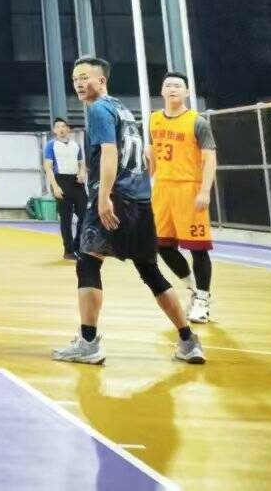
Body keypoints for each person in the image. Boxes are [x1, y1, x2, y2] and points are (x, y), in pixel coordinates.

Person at [52, 57, 205, 367]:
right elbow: (144, 158)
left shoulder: (99, 109)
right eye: (75, 79)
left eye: (85, 77)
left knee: (88, 263)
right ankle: (188, 341)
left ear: (101, 80)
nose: (79, 83)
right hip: (140, 201)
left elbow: (109, 153)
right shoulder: (122, 109)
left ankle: (88, 343)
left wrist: (104, 197)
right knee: (150, 271)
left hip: (115, 197)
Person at [149, 72, 217, 323]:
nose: (173, 89)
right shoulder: (154, 120)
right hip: (162, 190)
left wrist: (205, 190)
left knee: (198, 248)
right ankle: (193, 287)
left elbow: (210, 159)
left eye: (178, 85)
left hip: (189, 189)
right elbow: (151, 157)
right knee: (161, 245)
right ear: (162, 91)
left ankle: (203, 301)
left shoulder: (197, 122)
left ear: (187, 92)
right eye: (168, 85)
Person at [43, 118, 87, 261]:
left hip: (76, 181)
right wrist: (55, 187)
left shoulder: (76, 145)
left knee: (85, 214)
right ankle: (68, 250)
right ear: (54, 130)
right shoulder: (51, 145)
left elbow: (81, 164)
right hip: (60, 181)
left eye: (64, 126)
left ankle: (78, 245)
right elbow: (48, 167)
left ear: (68, 129)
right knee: (66, 218)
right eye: (58, 127)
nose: (61, 129)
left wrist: (82, 174)